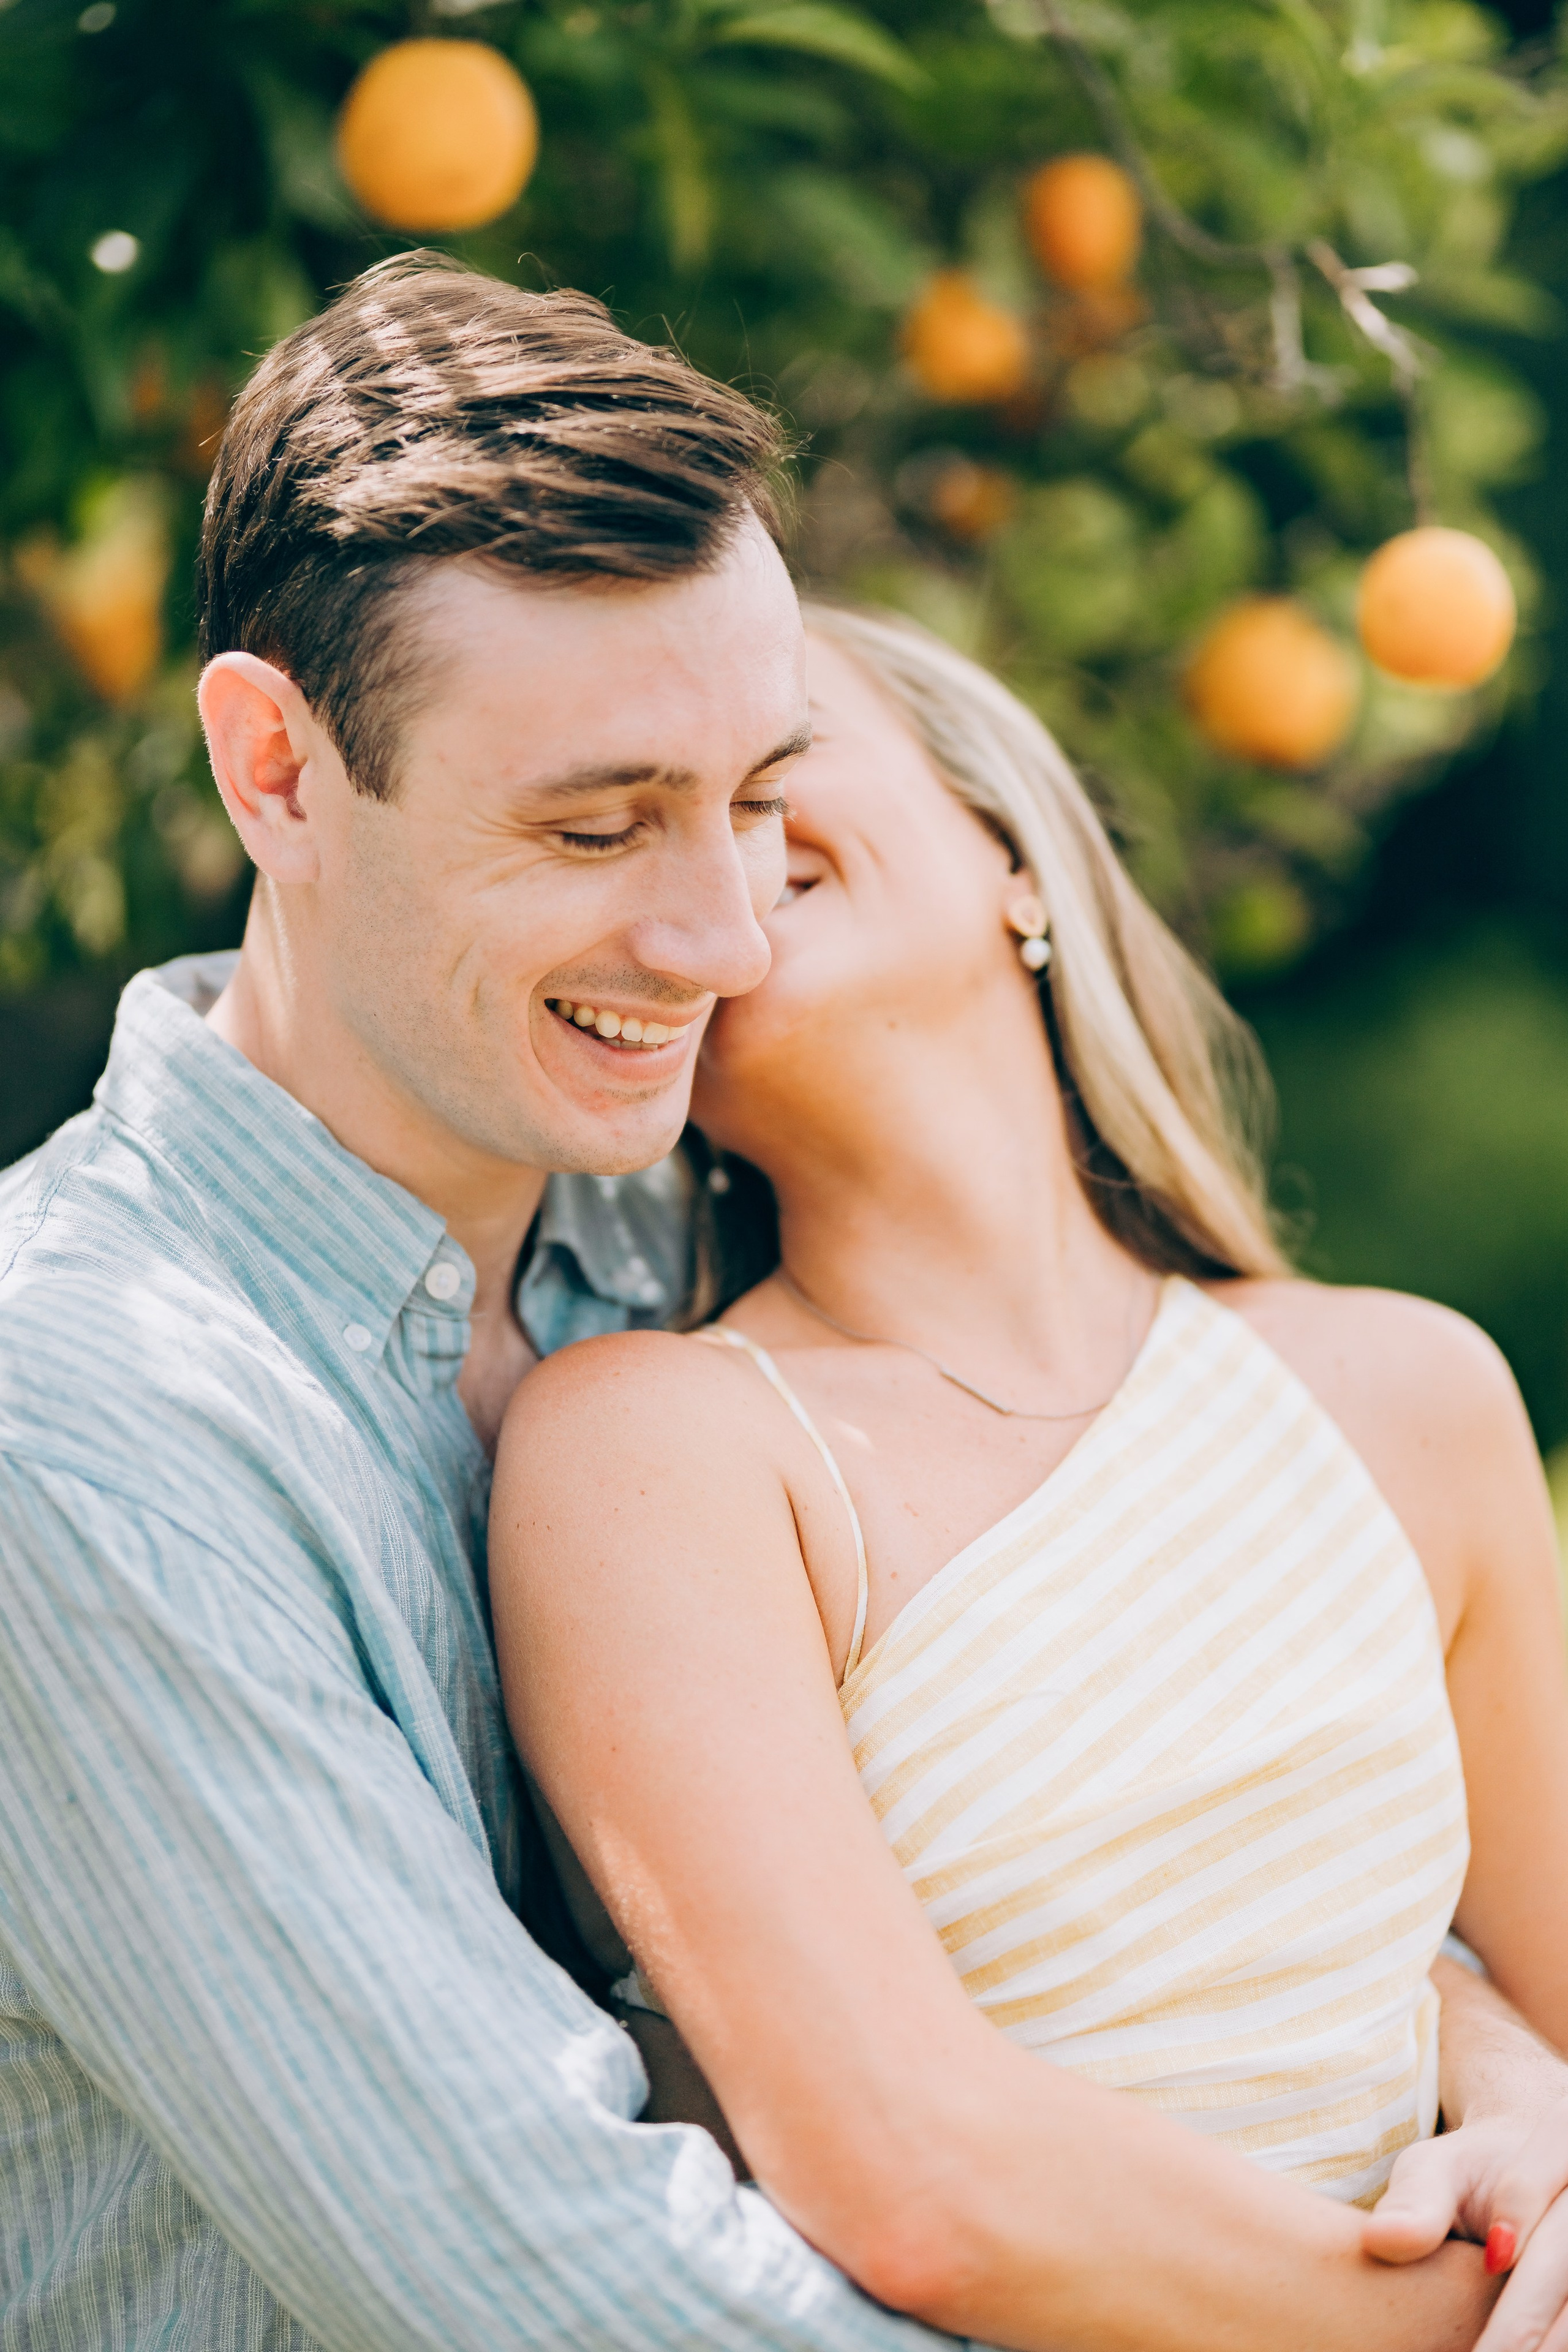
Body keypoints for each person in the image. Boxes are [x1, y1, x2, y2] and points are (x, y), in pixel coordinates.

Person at [0, 251, 1555, 2352]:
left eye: (759, 804)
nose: (727, 934)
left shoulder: (648, 1247)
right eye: (597, 824)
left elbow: (1075, 1859)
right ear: (278, 772)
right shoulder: (86, 1435)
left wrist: (1473, 2058)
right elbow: (569, 2287)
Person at [492, 604, 1568, 2352]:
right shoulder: (656, 1448)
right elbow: (919, 2179)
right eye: (631, 820)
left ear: (1009, 853)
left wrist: (1514, 2080)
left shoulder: (1417, 1394)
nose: (717, 839)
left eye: (771, 759)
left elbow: (1547, 2001)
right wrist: (1486, 2309)